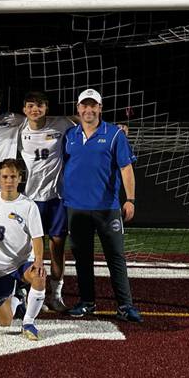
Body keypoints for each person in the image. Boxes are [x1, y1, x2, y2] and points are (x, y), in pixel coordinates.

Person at [63, 88, 143, 322]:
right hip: (76, 208)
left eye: (93, 105)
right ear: (78, 109)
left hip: (107, 208)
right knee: (82, 258)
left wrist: (130, 199)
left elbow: (126, 168)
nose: (88, 110)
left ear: (100, 108)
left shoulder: (115, 135)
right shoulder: (69, 135)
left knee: (115, 258)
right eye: (84, 106)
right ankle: (87, 302)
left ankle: (125, 306)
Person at [18, 91, 75, 312]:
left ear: (46, 108)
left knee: (58, 246)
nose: (35, 109)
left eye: (39, 106)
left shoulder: (60, 124)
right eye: (30, 106)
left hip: (57, 198)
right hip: (31, 200)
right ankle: (28, 292)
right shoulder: (19, 127)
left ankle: (56, 295)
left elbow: (83, 120)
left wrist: (113, 127)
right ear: (24, 110)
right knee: (29, 250)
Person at [0, 159, 47, 340]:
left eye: (13, 177)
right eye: (5, 177)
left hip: (22, 262)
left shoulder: (28, 205)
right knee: (4, 323)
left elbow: (37, 237)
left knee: (40, 276)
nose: (9, 181)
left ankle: (29, 322)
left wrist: (39, 261)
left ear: (20, 178)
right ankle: (18, 297)